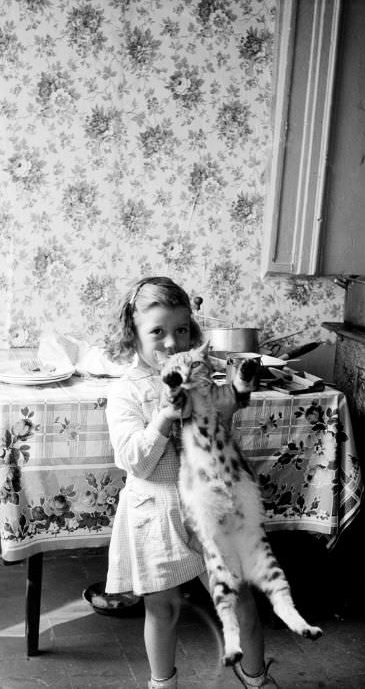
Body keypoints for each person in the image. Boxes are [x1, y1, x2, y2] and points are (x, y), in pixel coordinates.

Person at [103, 276, 279, 689]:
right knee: (162, 610)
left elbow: (222, 427)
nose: (170, 342)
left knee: (240, 602)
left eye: (181, 330)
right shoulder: (125, 392)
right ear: (133, 333)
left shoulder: (199, 376)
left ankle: (255, 679)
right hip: (156, 511)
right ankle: (163, 683)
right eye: (158, 332)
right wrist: (164, 416)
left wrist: (235, 393)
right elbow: (137, 463)